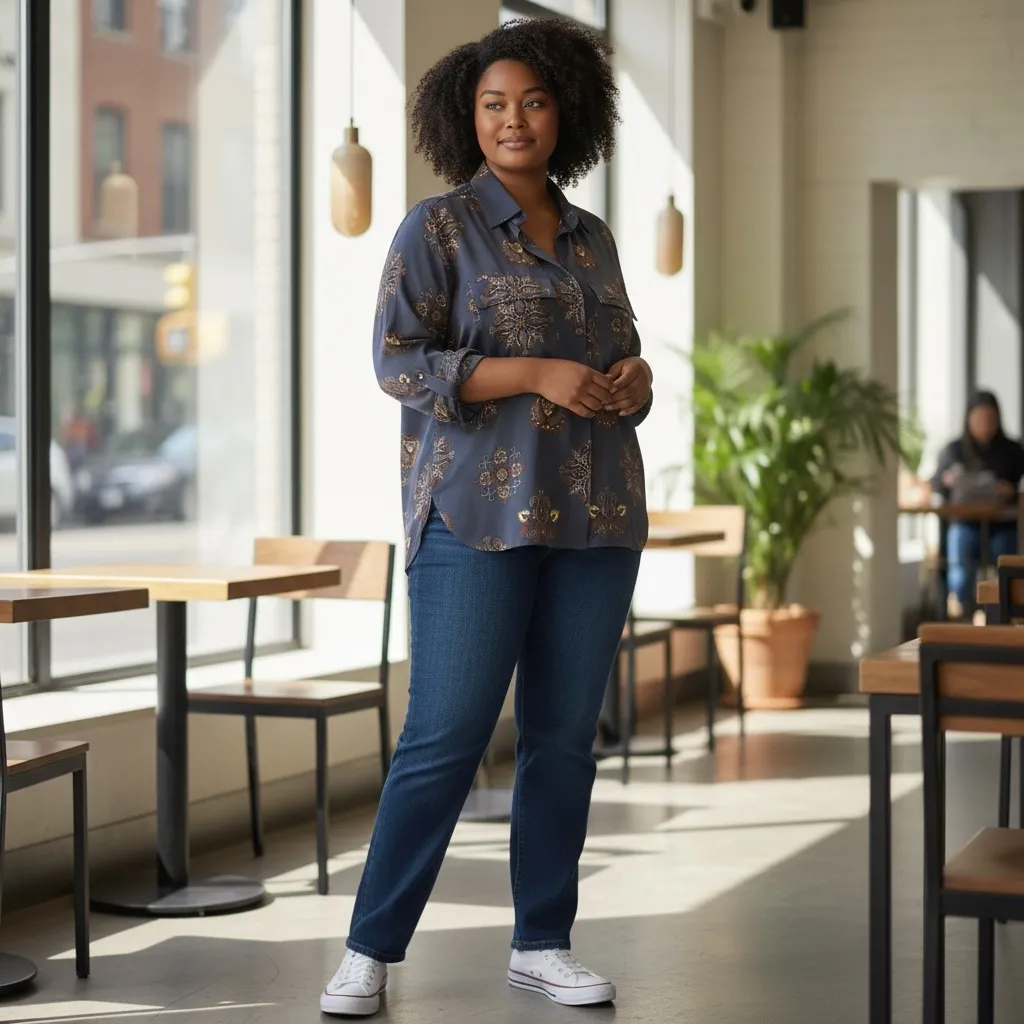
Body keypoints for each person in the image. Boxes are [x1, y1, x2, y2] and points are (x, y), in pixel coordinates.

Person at [319, 18, 653, 1018]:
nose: (513, 120)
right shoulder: (436, 227)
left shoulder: (591, 237)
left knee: (561, 737)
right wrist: (539, 373)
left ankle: (542, 940)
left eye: (534, 100)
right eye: (493, 103)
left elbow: (622, 355)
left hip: (596, 515)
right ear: (468, 116)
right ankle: (370, 948)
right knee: (447, 733)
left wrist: (631, 380)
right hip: (474, 515)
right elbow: (398, 362)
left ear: (567, 113)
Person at [930, 390, 1024, 616]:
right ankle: (963, 609)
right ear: (968, 419)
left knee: (1005, 557)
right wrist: (947, 481)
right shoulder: (953, 450)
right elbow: (935, 484)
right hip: (965, 523)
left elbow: (1018, 485)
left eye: (990, 419)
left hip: (1001, 524)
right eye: (979, 419)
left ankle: (1005, 611)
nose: (984, 425)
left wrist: (1009, 490)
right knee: (959, 555)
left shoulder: (1012, 449)